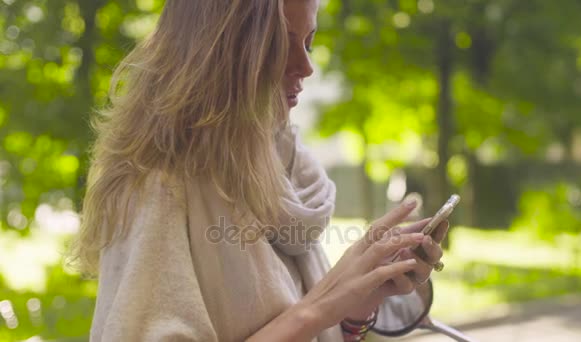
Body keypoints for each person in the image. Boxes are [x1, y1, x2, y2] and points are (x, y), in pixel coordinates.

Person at [69, 0, 448, 341]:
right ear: (217, 49)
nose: (306, 66)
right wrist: (320, 305)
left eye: (308, 42)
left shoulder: (284, 173)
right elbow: (307, 317)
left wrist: (357, 305)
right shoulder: (160, 184)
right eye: (279, 44)